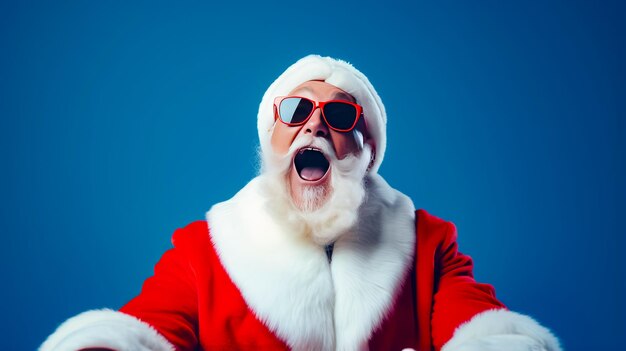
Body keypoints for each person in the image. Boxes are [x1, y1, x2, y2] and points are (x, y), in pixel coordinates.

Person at [41, 55, 562, 351]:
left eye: (339, 116)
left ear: (367, 151)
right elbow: (144, 330)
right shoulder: (206, 249)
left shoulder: (427, 241)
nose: (314, 123)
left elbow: (477, 328)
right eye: (296, 110)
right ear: (273, 140)